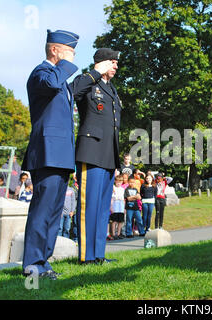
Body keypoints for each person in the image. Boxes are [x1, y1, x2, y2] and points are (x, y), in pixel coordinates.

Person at [21, 29, 82, 280]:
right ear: (54, 50)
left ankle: (43, 263)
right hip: (46, 153)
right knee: (42, 210)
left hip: (61, 155)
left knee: (54, 213)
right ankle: (32, 264)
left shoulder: (60, 78)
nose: (73, 57)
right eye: (70, 51)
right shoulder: (41, 72)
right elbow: (50, 84)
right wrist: (66, 64)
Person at [73, 47, 122, 265]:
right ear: (102, 62)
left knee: (103, 208)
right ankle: (86, 256)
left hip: (108, 154)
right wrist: (94, 72)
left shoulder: (111, 89)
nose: (116, 66)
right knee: (88, 206)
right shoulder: (88, 81)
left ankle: (98, 254)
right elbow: (72, 91)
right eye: (113, 62)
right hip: (91, 152)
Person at [110, 175, 126, 240]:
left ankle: (118, 234)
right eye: (117, 181)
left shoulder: (123, 189)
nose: (118, 183)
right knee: (114, 221)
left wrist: (124, 208)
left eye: (120, 181)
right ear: (115, 182)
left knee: (120, 221)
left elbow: (123, 199)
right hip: (115, 206)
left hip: (121, 206)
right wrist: (111, 207)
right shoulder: (113, 188)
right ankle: (113, 234)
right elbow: (111, 199)